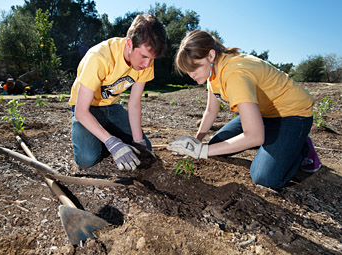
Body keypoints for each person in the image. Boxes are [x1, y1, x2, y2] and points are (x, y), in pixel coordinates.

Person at [167, 30, 321, 189]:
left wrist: (201, 152)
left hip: (292, 114)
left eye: (195, 67)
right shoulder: (212, 73)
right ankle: (278, 138)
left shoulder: (236, 74)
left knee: (265, 178)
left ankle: (301, 146)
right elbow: (211, 111)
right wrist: (197, 142)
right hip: (264, 113)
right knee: (217, 147)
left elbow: (254, 136)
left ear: (211, 55)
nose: (191, 74)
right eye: (187, 70)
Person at [68, 14, 167, 171]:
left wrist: (138, 142)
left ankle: (104, 135)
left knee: (145, 147)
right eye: (143, 56)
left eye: (151, 58)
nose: (147, 64)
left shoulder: (146, 62)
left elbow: (134, 104)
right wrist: (112, 142)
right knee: (87, 159)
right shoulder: (99, 58)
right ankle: (104, 137)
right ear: (129, 44)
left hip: (112, 108)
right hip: (87, 109)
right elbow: (81, 111)